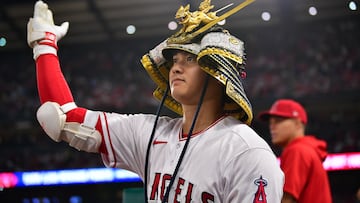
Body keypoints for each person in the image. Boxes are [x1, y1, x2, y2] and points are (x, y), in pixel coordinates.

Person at [27, 0, 284, 202]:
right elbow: (61, 119)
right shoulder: (150, 133)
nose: (176, 68)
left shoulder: (247, 152)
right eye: (175, 60)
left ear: (218, 73)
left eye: (190, 59)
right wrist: (44, 45)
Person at [258, 99, 332, 203]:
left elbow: (286, 200)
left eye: (278, 121)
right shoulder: (306, 149)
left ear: (298, 123)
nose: (272, 127)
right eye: (271, 122)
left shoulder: (297, 150)